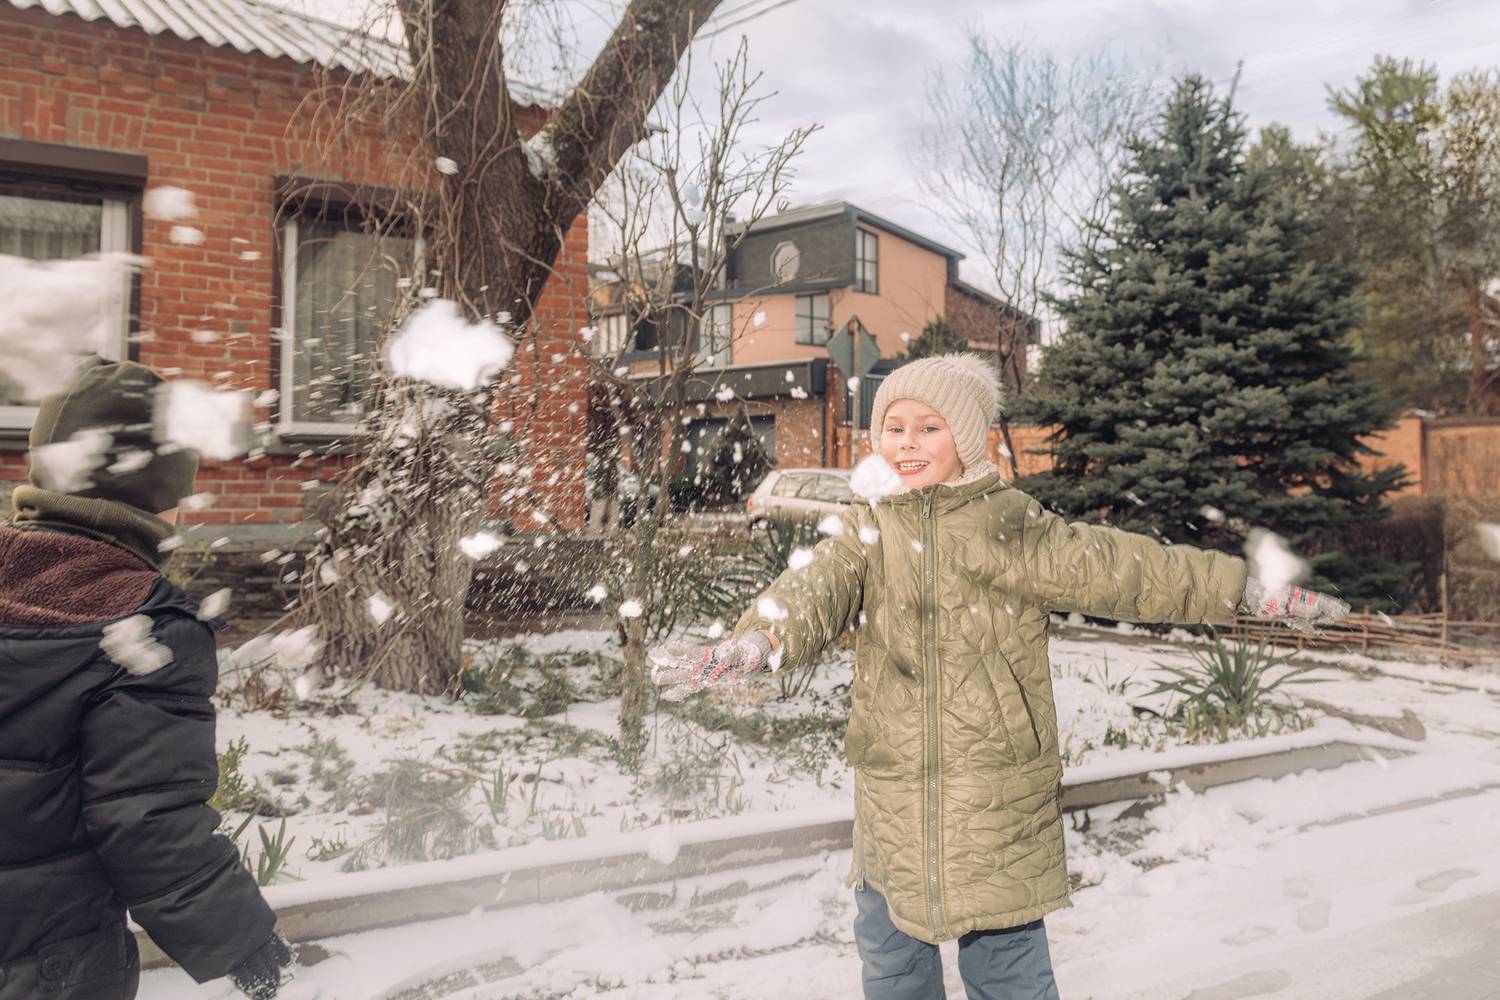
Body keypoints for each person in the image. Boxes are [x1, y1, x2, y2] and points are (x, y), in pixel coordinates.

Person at [649, 353, 1349, 1000]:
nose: (908, 442)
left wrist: (1243, 591)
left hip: (996, 789)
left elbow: (1125, 568)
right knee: (890, 958)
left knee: (1006, 962)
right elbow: (811, 591)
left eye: (930, 426)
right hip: (892, 788)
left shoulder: (1012, 528)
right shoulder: (867, 528)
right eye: (893, 426)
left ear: (969, 436)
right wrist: (755, 642)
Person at [0, 358, 296, 999]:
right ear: (164, 483)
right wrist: (241, 937)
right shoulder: (143, 623)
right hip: (47, 963)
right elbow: (146, 815)